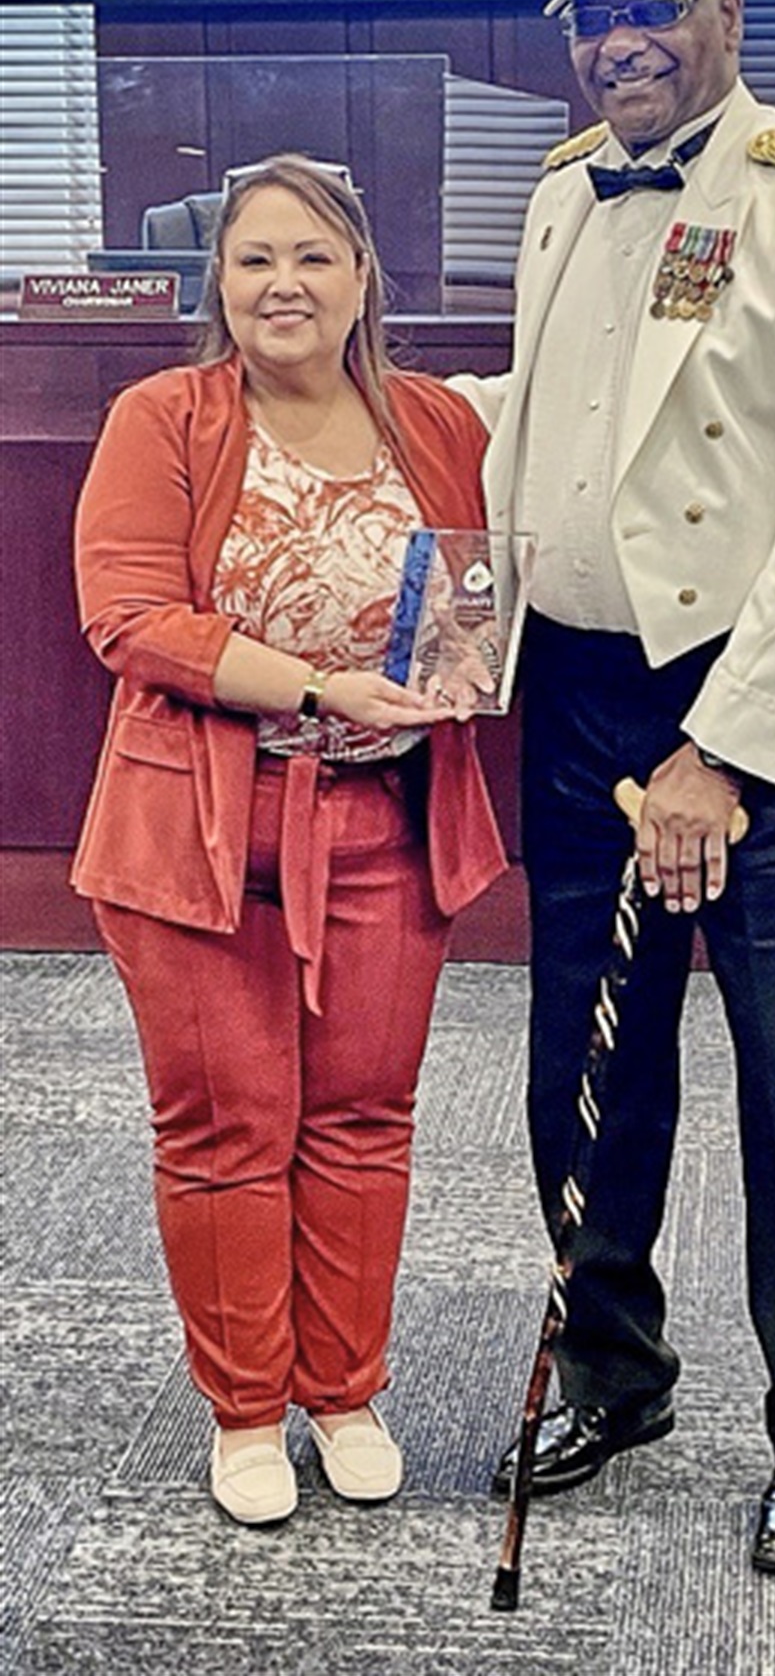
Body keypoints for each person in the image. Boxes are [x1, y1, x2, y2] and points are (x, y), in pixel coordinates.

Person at [455, 0, 775, 1574]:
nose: (620, 42)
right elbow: (559, 426)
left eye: (651, 8)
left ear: (727, 13)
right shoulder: (561, 193)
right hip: (584, 688)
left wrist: (718, 752)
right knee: (584, 1056)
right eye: (591, 15)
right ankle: (613, 1364)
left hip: (762, 694)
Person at [72, 154, 507, 1526]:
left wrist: (458, 666)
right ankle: (248, 1408)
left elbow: (469, 592)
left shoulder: (434, 420)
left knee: (365, 1118)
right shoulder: (168, 418)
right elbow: (130, 617)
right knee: (225, 1126)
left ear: (364, 278)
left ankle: (346, 1389)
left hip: (389, 821)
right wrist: (315, 685)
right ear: (220, 280)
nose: (284, 285)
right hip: (203, 828)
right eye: (256, 258)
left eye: (314, 257)